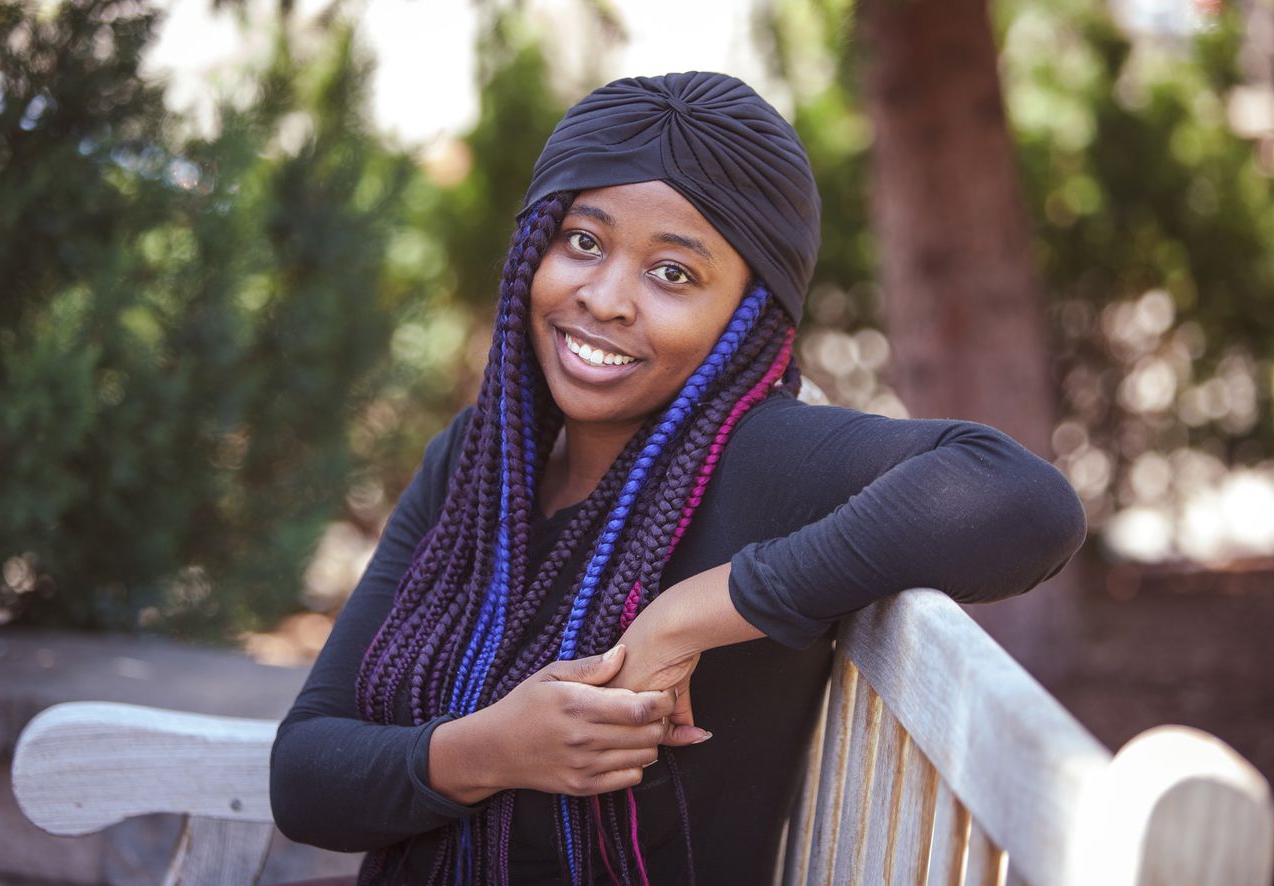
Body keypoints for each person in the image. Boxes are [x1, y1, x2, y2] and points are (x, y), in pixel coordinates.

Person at [269, 71, 1088, 886]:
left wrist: (691, 613)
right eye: (583, 241)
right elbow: (305, 777)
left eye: (673, 274)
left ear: (748, 314)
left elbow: (1025, 502)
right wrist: (497, 748)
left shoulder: (760, 461)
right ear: (534, 249)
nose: (607, 298)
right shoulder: (479, 463)